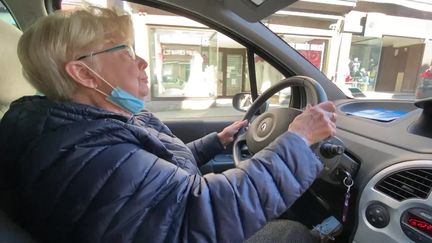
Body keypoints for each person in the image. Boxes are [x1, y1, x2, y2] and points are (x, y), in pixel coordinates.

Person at [0, 6, 336, 243]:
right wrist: (297, 138)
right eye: (126, 51)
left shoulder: (90, 126)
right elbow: (202, 212)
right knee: (291, 233)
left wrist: (215, 142)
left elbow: (149, 176)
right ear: (85, 73)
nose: (142, 61)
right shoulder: (83, 152)